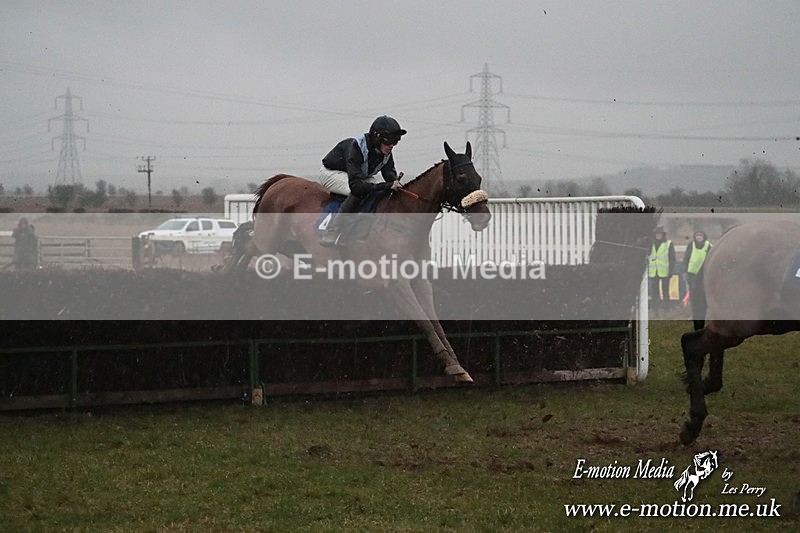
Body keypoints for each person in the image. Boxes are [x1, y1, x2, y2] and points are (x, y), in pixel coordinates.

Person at [318, 115, 407, 247]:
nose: (392, 145)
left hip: (356, 174)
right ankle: (332, 232)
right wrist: (387, 185)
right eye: (389, 141)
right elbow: (356, 187)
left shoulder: (386, 152)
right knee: (360, 192)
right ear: (377, 137)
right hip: (331, 173)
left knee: (376, 191)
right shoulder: (356, 146)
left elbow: (389, 174)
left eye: (395, 141)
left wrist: (399, 187)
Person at [682, 230, 712, 330]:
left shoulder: (708, 246)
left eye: (701, 235)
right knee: (693, 296)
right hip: (692, 275)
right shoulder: (691, 245)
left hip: (703, 276)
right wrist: (685, 271)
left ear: (704, 237)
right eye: (697, 235)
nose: (699, 237)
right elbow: (686, 258)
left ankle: (704, 315)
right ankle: (694, 314)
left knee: (703, 296)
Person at [648, 226, 675, 313]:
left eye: (660, 234)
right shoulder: (650, 244)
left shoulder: (669, 243)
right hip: (653, 272)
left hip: (665, 272)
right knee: (654, 293)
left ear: (663, 235)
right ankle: (655, 309)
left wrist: (670, 271)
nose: (658, 235)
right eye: (657, 234)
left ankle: (666, 309)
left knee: (665, 291)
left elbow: (672, 258)